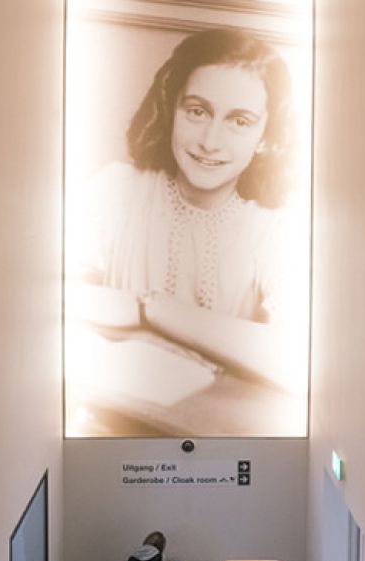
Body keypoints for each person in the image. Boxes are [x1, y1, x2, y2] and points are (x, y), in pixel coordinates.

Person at [67, 27, 307, 399]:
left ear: (266, 137)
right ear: (171, 109)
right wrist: (141, 326)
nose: (210, 142)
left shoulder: (276, 227)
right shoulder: (117, 189)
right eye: (197, 111)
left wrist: (157, 312)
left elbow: (300, 363)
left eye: (239, 121)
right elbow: (42, 299)